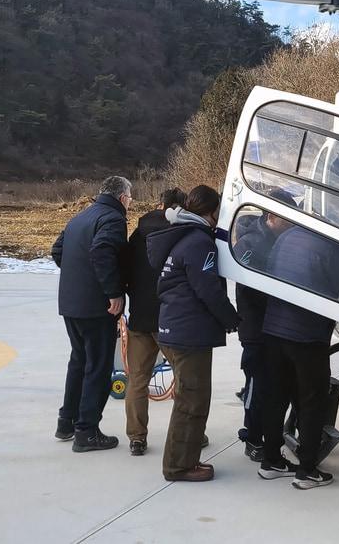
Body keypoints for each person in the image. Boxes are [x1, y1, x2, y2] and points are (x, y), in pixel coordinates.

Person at [145, 185, 240, 482]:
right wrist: (231, 319)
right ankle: (179, 466)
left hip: (176, 327)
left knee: (190, 398)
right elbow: (208, 290)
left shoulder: (182, 236)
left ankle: (184, 457)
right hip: (189, 333)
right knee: (192, 401)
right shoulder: (199, 243)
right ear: (210, 212)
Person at [259, 224, 339, 489]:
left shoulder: (287, 236)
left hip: (273, 329)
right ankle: (307, 470)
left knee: (276, 397)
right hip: (306, 334)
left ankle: (270, 459)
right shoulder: (330, 244)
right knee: (311, 400)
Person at [52, 176, 131, 452]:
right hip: (96, 306)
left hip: (71, 303)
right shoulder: (112, 219)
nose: (130, 205)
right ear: (122, 198)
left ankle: (67, 421)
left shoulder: (80, 217)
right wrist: (113, 292)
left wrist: (78, 277)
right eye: (130, 199)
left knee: (79, 361)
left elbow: (58, 250)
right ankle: (87, 430)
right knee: (98, 366)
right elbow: (101, 251)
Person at [119, 187, 186, 456]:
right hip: (169, 319)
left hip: (139, 317)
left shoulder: (137, 234)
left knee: (137, 380)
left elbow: (123, 269)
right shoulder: (178, 234)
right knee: (184, 378)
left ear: (158, 203)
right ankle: (187, 433)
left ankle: (136, 438)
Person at [230, 189, 296, 462]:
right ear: (271, 217)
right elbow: (247, 287)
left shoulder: (279, 239)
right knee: (257, 386)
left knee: (275, 386)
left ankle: (271, 433)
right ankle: (253, 437)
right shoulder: (250, 244)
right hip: (257, 330)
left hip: (277, 328)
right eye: (287, 219)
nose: (292, 225)